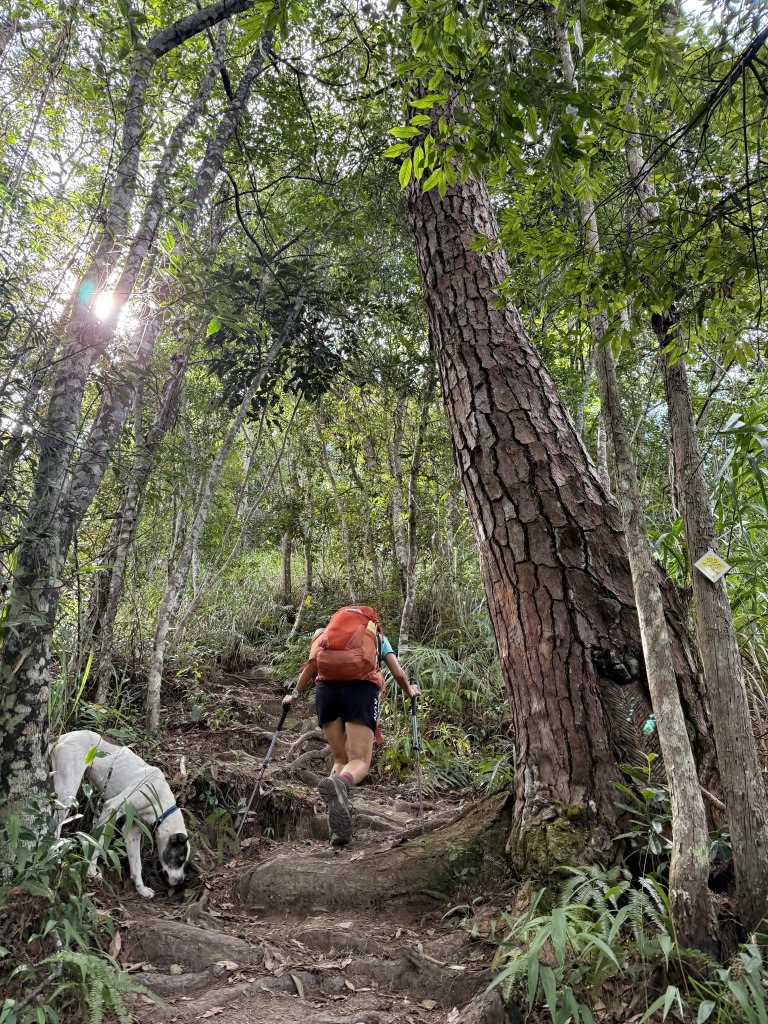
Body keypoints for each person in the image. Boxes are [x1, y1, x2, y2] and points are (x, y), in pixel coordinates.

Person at [283, 613, 419, 847]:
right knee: (360, 761)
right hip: (360, 691)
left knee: (339, 759)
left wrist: (293, 696)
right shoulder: (374, 635)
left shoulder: (325, 635)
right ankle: (342, 784)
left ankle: (337, 822)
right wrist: (410, 690)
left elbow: (311, 666)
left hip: (326, 692)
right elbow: (397, 672)